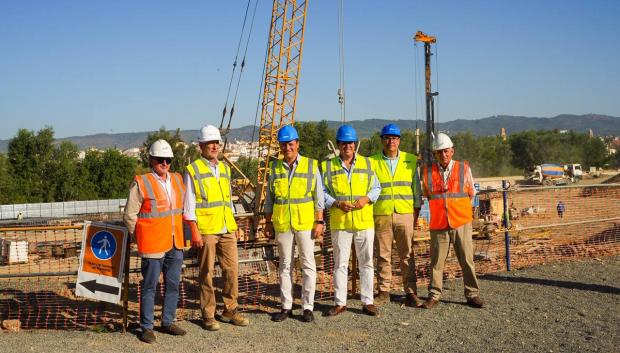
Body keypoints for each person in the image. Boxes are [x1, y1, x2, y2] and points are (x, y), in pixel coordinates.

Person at [184, 125, 249, 331]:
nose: (214, 146)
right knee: (207, 273)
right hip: (207, 229)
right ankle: (208, 314)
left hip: (226, 226)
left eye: (216, 143)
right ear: (201, 146)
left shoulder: (225, 168)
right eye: (209, 143)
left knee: (231, 270)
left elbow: (228, 201)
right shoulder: (192, 170)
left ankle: (230, 310)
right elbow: (189, 203)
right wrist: (194, 228)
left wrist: (235, 225)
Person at [123, 139, 187, 343]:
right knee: (149, 286)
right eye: (160, 159)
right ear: (151, 160)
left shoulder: (177, 179)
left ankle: (167, 322)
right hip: (152, 245)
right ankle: (147, 327)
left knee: (173, 284)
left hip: (175, 241)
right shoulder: (142, 182)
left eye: (168, 160)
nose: (165, 163)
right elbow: (130, 214)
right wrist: (140, 236)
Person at [264, 125, 325, 323]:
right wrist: (267, 222)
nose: (287, 148)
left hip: (305, 224)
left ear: (297, 144)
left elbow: (319, 197)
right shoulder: (275, 167)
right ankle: (286, 306)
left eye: (290, 144)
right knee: (285, 266)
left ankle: (307, 306)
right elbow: (269, 199)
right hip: (282, 224)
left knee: (308, 264)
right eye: (283, 145)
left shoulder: (310, 165)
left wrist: (319, 221)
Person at [323, 125, 381, 317]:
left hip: (364, 221)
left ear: (355, 144)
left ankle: (368, 301)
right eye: (343, 143)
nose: (347, 146)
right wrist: (336, 203)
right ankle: (340, 302)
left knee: (366, 262)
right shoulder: (328, 166)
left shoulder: (368, 164)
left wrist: (366, 199)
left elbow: (377, 188)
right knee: (340, 264)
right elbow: (320, 192)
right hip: (341, 223)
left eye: (350, 143)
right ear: (338, 145)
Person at [421, 133, 484, 309]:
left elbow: (471, 192)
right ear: (435, 154)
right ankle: (434, 295)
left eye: (446, 151)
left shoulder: (463, 169)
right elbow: (426, 195)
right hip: (439, 224)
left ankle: (472, 294)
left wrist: (460, 211)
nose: (443, 155)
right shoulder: (427, 172)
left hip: (461, 223)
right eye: (439, 152)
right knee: (436, 263)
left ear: (452, 151)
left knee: (467, 260)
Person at [370, 124, 423, 307]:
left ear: (399, 140)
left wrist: (415, 214)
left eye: (394, 138)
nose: (391, 141)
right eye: (387, 138)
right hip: (381, 214)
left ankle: (411, 292)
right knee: (383, 255)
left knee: (407, 254)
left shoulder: (410, 159)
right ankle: (384, 291)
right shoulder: (373, 161)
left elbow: (416, 189)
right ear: (382, 140)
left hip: (404, 213)